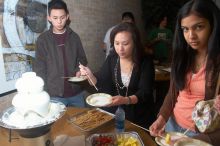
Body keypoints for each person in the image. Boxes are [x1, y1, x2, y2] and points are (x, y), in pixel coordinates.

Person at [149, 0, 220, 145]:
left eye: (198, 27)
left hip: (200, 136)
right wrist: (162, 118)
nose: (191, 35)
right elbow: (173, 93)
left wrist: (199, 140)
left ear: (213, 25)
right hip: (172, 126)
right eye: (185, 29)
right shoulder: (182, 56)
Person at [80, 22, 155, 128]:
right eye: (116, 43)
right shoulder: (112, 58)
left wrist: (125, 100)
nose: (120, 49)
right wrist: (90, 75)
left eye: (125, 44)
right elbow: (101, 80)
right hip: (117, 113)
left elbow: (145, 92)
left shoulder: (145, 61)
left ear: (135, 42)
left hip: (139, 114)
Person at [33, 0, 88, 107]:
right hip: (54, 96)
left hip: (76, 92)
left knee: (82, 121)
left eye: (62, 17)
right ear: (49, 17)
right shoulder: (42, 40)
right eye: (55, 18)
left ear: (67, 16)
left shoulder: (74, 37)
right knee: (59, 124)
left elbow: (82, 58)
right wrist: (45, 92)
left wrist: (78, 70)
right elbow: (39, 69)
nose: (59, 21)